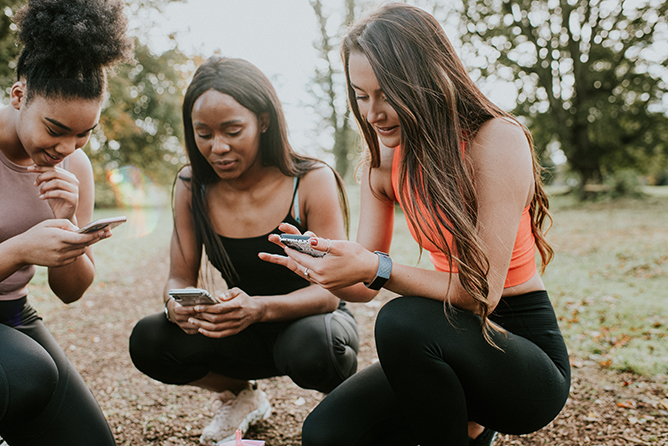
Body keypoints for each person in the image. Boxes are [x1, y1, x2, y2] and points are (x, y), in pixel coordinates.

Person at [261, 4, 571, 446]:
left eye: (386, 93)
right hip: (439, 341)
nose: (373, 113)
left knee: (402, 320)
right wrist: (324, 264)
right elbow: (362, 287)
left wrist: (374, 267)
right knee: (326, 434)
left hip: (520, 355)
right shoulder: (381, 166)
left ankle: (472, 426)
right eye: (361, 95)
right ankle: (464, 420)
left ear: (428, 79)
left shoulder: (495, 139)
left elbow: (480, 293)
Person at [129, 56, 360, 446]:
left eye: (233, 130)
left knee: (314, 348)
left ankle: (344, 405)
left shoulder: (310, 180)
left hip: (311, 323)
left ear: (263, 121)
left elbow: (328, 292)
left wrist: (261, 308)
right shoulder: (192, 185)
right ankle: (240, 394)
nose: (217, 147)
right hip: (243, 326)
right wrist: (176, 305)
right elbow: (179, 277)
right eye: (203, 134)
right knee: (150, 339)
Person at [0, 0, 133, 444]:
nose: (68, 147)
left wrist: (69, 226)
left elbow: (70, 291)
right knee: (27, 373)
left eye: (84, 133)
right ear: (19, 96)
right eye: (55, 130)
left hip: (12, 314)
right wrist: (19, 250)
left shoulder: (75, 168)